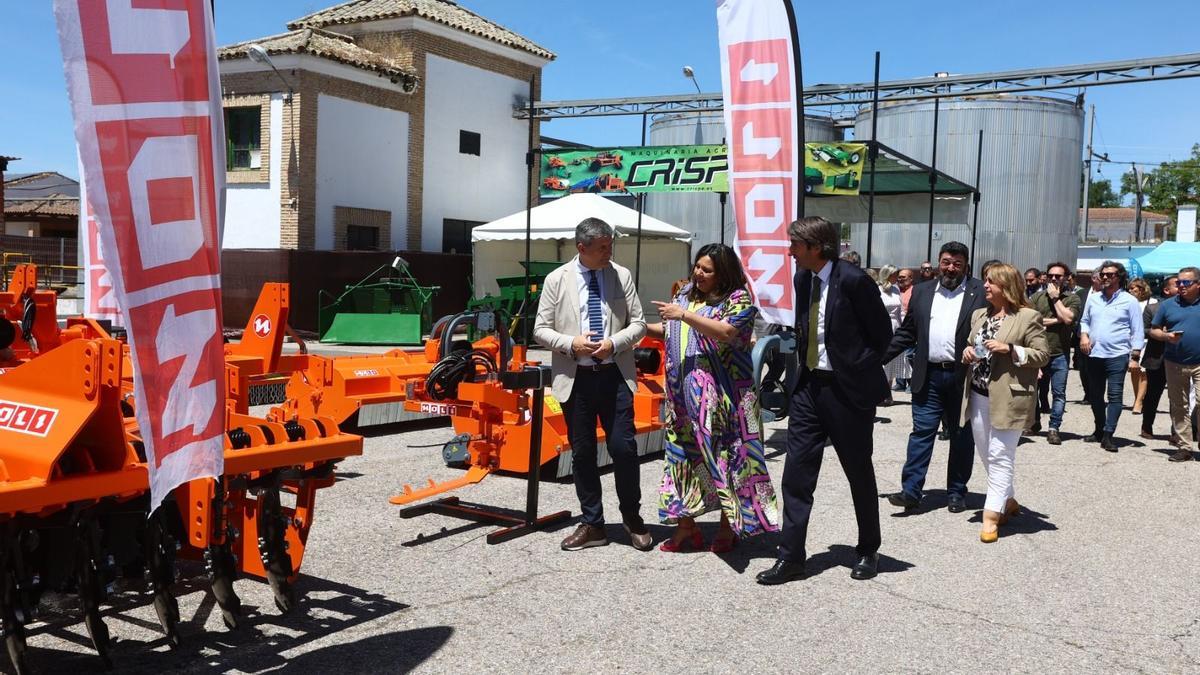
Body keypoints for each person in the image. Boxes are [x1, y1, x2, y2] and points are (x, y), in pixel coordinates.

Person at [757, 217, 892, 585]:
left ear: (816, 247)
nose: (790, 253)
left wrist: (859, 367)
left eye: (795, 246)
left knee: (858, 472)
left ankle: (868, 549)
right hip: (808, 389)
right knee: (796, 474)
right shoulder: (803, 279)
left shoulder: (854, 280)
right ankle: (792, 557)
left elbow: (883, 334)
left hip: (847, 392)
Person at [649, 244, 780, 552]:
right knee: (681, 459)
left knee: (726, 458)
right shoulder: (686, 296)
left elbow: (725, 332)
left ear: (723, 273)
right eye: (697, 267)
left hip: (725, 400)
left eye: (707, 270)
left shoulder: (739, 299)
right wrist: (635, 328)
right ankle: (686, 527)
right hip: (683, 399)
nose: (698, 273)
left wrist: (682, 315)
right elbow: (668, 330)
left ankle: (728, 526)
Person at [533, 217, 651, 551]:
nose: (608, 253)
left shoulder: (621, 275)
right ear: (581, 247)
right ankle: (593, 524)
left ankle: (632, 519)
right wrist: (572, 344)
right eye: (602, 248)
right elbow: (540, 329)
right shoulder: (557, 280)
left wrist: (614, 343)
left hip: (614, 376)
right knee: (583, 453)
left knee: (623, 449)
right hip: (576, 379)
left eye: (611, 246)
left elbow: (639, 323)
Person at [881, 242, 987, 513]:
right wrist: (878, 358)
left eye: (957, 263)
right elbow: (908, 332)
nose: (951, 268)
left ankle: (956, 492)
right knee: (921, 432)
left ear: (965, 266)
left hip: (963, 378)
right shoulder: (922, 291)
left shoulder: (979, 293)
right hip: (928, 376)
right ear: (938, 263)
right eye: (946, 262)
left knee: (961, 436)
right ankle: (911, 491)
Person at [960, 263, 1049, 542]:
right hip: (977, 393)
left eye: (991, 282)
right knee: (987, 454)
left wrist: (1011, 349)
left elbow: (1042, 355)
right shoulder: (980, 314)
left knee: (1000, 455)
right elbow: (971, 343)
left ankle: (991, 515)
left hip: (1010, 398)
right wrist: (967, 351)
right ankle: (1008, 500)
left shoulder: (1028, 316)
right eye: (985, 281)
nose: (985, 286)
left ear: (1006, 287)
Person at [1078, 260, 1144, 451]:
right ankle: (1099, 428)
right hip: (1094, 354)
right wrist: (1084, 335)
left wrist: (1134, 357)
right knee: (1095, 396)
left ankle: (1108, 434)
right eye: (1103, 274)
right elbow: (1085, 321)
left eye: (1110, 274)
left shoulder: (1129, 301)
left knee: (1115, 396)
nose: (1105, 277)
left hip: (1117, 355)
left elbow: (1137, 330)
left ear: (1119, 277)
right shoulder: (1094, 299)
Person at [1150, 266, 1200, 462]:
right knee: (1179, 406)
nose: (1181, 286)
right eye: (1178, 283)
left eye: (1185, 283)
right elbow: (1153, 330)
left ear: (1198, 284)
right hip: (1174, 362)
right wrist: (1166, 336)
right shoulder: (1167, 305)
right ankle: (1184, 447)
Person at [1029, 262, 1081, 444]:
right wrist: (1057, 320)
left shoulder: (1072, 299)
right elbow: (1031, 322)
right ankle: (1034, 422)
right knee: (1032, 391)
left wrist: (1055, 298)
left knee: (1058, 394)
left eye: (1058, 276)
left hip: (1060, 354)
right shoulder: (1035, 298)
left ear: (1066, 278)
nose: (1053, 279)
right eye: (1050, 275)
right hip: (1037, 353)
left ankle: (1054, 428)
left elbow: (1068, 319)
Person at [1141, 276, 1177, 441]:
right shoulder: (1153, 309)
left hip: (1179, 358)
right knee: (1152, 395)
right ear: (1166, 290)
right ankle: (1147, 425)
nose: (1181, 287)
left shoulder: (1190, 308)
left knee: (1177, 397)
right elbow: (1143, 329)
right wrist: (1160, 333)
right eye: (1177, 285)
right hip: (1156, 358)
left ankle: (1177, 431)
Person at [1127, 279, 1157, 415]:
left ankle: (1139, 402)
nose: (1131, 291)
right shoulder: (1127, 302)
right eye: (1129, 288)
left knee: (1144, 371)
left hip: (1147, 341)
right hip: (1131, 340)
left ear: (1142, 289)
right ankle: (1137, 397)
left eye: (1134, 288)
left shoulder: (1153, 302)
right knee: (1134, 370)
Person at [877, 264, 905, 403]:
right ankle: (881, 392)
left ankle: (888, 392)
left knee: (893, 360)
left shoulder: (896, 289)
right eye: (895, 274)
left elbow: (901, 310)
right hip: (882, 325)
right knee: (882, 361)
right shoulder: (878, 289)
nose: (897, 277)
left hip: (896, 326)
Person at [1074, 272, 1102, 404]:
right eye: (1101, 278)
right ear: (1094, 279)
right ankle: (1088, 393)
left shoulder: (1108, 295)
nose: (1103, 280)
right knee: (1083, 367)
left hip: (1100, 336)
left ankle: (1097, 394)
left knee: (1097, 367)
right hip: (1081, 336)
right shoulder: (1081, 294)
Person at [894, 268, 916, 392]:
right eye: (900, 277)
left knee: (908, 355)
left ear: (911, 279)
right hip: (898, 327)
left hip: (909, 328)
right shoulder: (896, 291)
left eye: (904, 277)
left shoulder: (914, 291)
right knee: (898, 355)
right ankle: (900, 383)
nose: (901, 279)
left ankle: (912, 382)